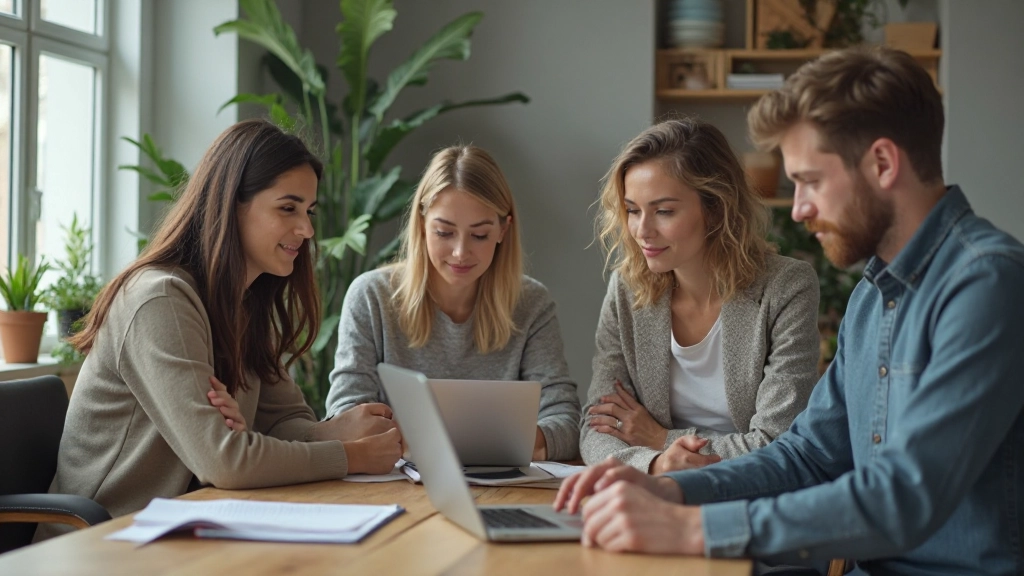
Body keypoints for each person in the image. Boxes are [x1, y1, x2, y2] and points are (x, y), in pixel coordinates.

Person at [555, 46, 1024, 575]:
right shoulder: (873, 295)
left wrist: (693, 528)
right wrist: (666, 485)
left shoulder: (987, 282)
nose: (798, 209)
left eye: (810, 181)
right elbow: (807, 455)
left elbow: (905, 497)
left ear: (883, 164)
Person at [36, 119, 402, 540]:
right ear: (232, 204)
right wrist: (350, 455)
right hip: (102, 544)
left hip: (188, 530)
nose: (307, 229)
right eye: (288, 208)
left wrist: (322, 433)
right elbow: (225, 463)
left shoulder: (242, 304)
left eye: (308, 211)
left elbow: (283, 421)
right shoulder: (161, 301)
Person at [581, 118, 820, 474]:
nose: (642, 230)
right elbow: (597, 427)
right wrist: (656, 463)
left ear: (715, 208)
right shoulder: (627, 289)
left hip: (752, 495)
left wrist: (663, 438)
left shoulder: (786, 287)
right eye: (633, 210)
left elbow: (777, 442)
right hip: (655, 487)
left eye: (664, 211)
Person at [325, 145, 581, 462]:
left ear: (503, 230)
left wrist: (440, 441)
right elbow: (347, 416)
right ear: (421, 224)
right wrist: (496, 440)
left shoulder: (531, 304)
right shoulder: (371, 296)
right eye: (445, 232)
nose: (460, 252)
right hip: (394, 483)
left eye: (479, 235)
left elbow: (566, 423)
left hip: (500, 486)